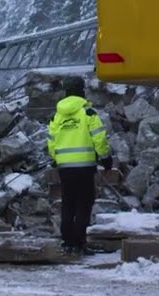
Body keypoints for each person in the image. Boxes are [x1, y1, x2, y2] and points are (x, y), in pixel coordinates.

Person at [47, 76, 112, 255]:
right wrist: (106, 159)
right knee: (84, 204)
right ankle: (79, 242)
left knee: (68, 203)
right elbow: (99, 138)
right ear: (82, 90)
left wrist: (57, 158)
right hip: (84, 166)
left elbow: (51, 142)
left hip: (65, 167)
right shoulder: (88, 113)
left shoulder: (58, 115)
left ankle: (67, 241)